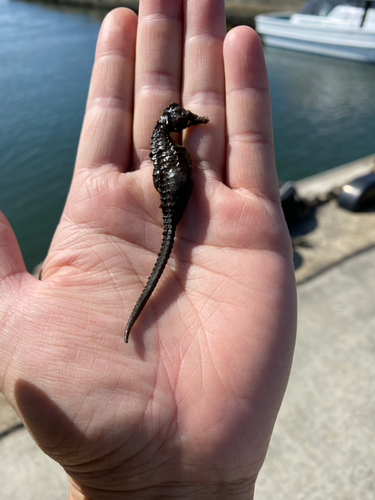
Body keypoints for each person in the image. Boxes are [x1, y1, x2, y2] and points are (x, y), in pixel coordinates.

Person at [0, 1, 297, 498]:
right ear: (171, 124)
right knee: (169, 230)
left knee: (169, 229)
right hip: (174, 186)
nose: (189, 120)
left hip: (174, 184)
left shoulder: (165, 140)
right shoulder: (165, 142)